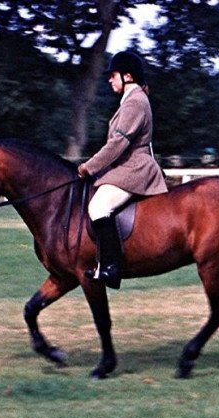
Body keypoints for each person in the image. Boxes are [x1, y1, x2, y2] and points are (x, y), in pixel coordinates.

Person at [77, 50, 168, 289]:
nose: (109, 79)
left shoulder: (135, 102)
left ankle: (111, 267)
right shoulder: (131, 100)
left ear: (127, 76)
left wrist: (89, 167)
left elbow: (117, 144)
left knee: (98, 206)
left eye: (113, 75)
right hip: (125, 167)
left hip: (134, 168)